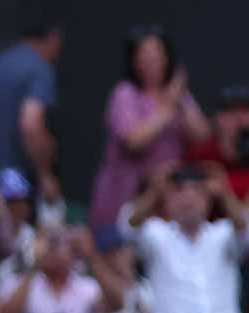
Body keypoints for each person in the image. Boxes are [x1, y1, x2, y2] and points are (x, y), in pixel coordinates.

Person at [121, 162, 249, 313]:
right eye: (179, 193)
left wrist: (224, 192)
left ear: (207, 201)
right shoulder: (157, 236)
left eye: (195, 193)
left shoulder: (223, 235)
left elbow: (248, 230)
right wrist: (155, 191)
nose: (188, 200)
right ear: (168, 202)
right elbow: (127, 226)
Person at [89, 26, 210, 237]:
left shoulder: (178, 96)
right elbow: (134, 141)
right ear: (134, 61)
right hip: (126, 195)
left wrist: (181, 98)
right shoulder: (125, 94)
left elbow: (201, 136)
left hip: (164, 201)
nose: (151, 60)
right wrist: (167, 106)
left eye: (157, 54)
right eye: (144, 54)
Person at [0, 14, 60, 206]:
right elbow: (30, 124)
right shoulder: (39, 69)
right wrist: (45, 175)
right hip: (13, 181)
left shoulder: (3, 61)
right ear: (52, 38)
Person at [184, 84, 249, 202]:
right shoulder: (202, 154)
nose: (239, 119)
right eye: (231, 112)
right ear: (217, 119)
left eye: (246, 111)